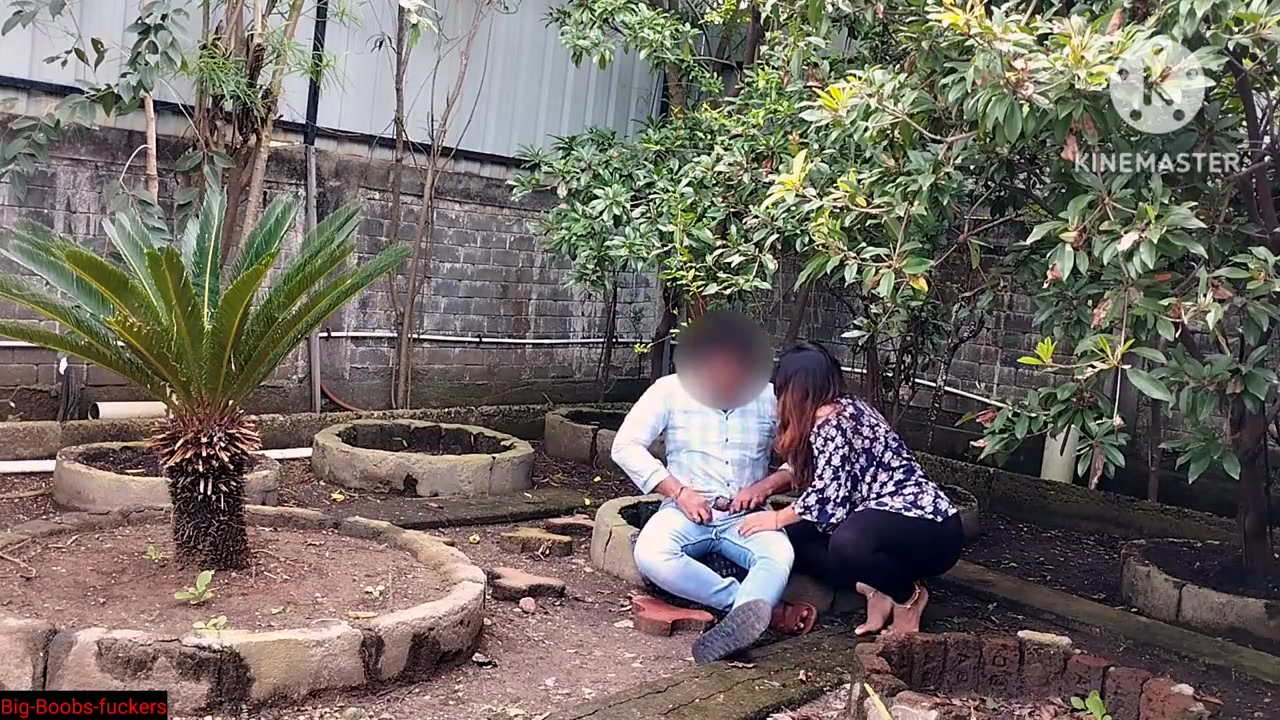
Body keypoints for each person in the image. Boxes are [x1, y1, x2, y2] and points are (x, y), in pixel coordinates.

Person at [611, 310, 817, 664]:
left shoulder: (769, 398)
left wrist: (767, 485)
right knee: (652, 553)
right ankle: (754, 610)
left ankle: (743, 620)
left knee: (779, 553)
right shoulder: (669, 391)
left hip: (747, 515)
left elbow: (804, 457)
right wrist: (678, 492)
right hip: (685, 510)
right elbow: (625, 446)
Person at [739, 341, 964, 635]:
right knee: (792, 539)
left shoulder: (834, 422)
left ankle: (908, 598)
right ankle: (876, 588)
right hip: (885, 519)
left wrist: (777, 517)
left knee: (847, 544)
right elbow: (817, 473)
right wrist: (767, 491)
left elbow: (827, 498)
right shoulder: (839, 410)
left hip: (929, 525)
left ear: (794, 389)